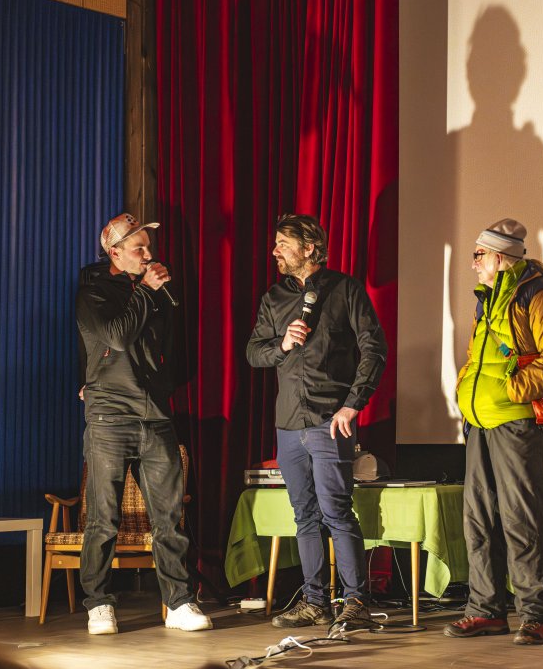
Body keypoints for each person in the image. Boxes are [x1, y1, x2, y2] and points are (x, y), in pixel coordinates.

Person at [246, 214, 387, 632]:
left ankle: (356, 602)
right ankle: (314, 602)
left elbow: (374, 349)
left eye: (283, 243)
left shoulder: (346, 289)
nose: (275, 250)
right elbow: (254, 352)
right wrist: (281, 344)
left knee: (336, 512)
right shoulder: (274, 297)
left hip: (330, 419)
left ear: (309, 248)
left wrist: (352, 405)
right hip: (289, 422)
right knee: (304, 515)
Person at [75, 213, 212, 635]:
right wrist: (147, 292)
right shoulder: (94, 291)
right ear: (115, 253)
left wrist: (164, 384)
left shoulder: (154, 292)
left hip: (154, 415)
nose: (148, 254)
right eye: (139, 248)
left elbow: (167, 347)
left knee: (168, 517)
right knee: (103, 518)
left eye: (149, 247)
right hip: (110, 417)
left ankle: (180, 602)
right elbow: (116, 336)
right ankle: (99, 604)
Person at [444, 218, 543, 646]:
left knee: (522, 519)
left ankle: (536, 615)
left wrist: (515, 391)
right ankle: (485, 610)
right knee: (478, 520)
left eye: (479, 255)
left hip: (518, 424)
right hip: (479, 424)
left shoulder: (539, 294)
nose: (473, 263)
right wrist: (466, 391)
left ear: (500, 258)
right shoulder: (487, 298)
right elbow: (478, 356)